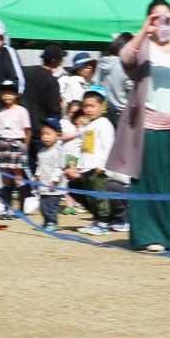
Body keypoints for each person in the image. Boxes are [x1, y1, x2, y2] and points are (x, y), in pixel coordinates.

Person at [110, 0, 170, 252]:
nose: (162, 21)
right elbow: (125, 58)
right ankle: (151, 236)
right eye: (156, 17)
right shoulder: (144, 49)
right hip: (149, 126)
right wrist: (144, 30)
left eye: (167, 16)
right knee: (151, 181)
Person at [68, 91, 117, 234]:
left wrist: (103, 164)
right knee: (91, 197)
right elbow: (85, 148)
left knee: (100, 195)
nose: (88, 109)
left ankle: (104, 223)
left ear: (102, 107)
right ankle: (97, 220)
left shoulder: (104, 124)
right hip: (87, 168)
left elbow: (108, 145)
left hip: (98, 168)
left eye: (92, 106)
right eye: (86, 106)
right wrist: (79, 166)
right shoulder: (89, 125)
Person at [22, 47, 65, 191]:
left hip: (24, 128)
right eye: (60, 59)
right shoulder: (52, 81)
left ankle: (27, 194)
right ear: (54, 60)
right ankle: (42, 194)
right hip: (43, 131)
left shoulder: (27, 72)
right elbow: (54, 110)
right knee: (45, 164)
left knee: (26, 164)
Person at [0, 83, 30, 213]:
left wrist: (25, 146)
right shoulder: (1, 112)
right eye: (4, 93)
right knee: (5, 176)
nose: (6, 96)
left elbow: (27, 130)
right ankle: (7, 208)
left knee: (18, 176)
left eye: (9, 93)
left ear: (16, 95)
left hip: (17, 143)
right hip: (3, 143)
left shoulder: (21, 110)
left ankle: (20, 208)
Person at [31, 118, 68, 227]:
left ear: (58, 135)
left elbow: (59, 167)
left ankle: (52, 222)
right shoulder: (42, 151)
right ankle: (47, 222)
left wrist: (54, 180)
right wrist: (36, 177)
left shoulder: (58, 151)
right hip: (43, 184)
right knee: (43, 205)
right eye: (43, 134)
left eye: (48, 134)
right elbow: (39, 165)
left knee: (51, 205)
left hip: (54, 186)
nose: (45, 137)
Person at [94, 33, 133, 114]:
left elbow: (98, 87)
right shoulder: (123, 65)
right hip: (125, 113)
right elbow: (132, 88)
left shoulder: (101, 64)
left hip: (108, 111)